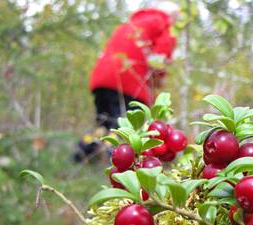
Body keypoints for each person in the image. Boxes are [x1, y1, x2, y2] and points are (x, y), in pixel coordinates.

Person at [74, 2, 179, 162]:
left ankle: (81, 155)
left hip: (101, 79)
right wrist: (159, 80)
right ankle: (120, 164)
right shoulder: (162, 26)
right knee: (124, 127)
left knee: (104, 123)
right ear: (171, 16)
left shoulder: (128, 24)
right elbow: (160, 59)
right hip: (129, 83)